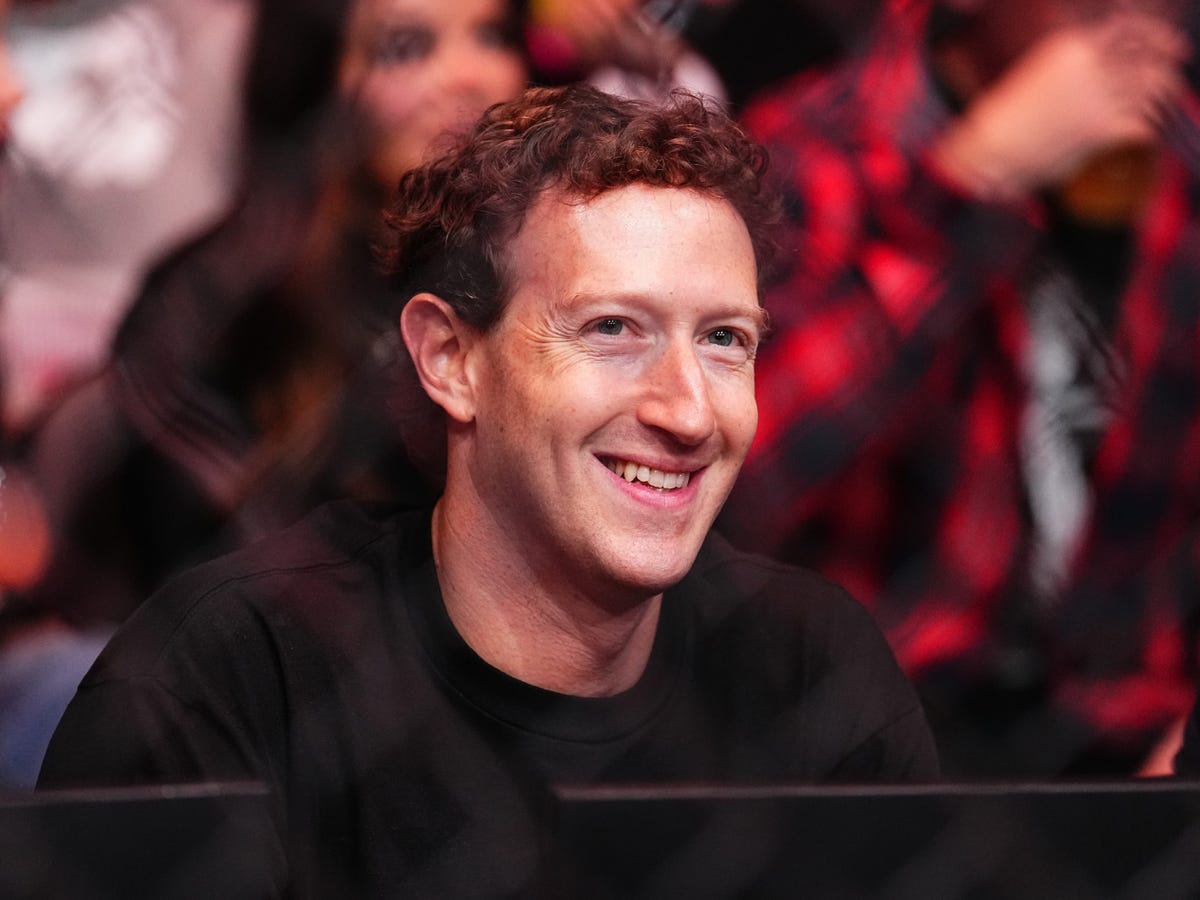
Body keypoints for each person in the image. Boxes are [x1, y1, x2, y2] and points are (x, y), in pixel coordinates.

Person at [38, 83, 938, 896]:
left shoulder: (812, 667)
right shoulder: (230, 678)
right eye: (613, 328)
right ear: (451, 359)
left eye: (724, 340)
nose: (690, 412)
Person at [721, 0, 1200, 776]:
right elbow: (741, 474)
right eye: (1097, 5)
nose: (1143, 32)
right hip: (874, 726)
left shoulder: (1178, 156)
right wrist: (974, 184)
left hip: (1121, 730)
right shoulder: (814, 148)